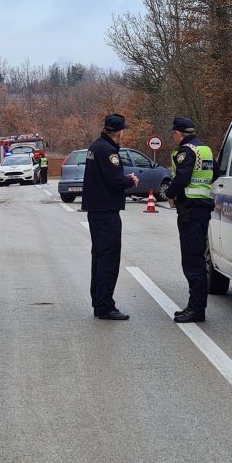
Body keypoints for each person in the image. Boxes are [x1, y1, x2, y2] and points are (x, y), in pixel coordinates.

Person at [82, 113, 139, 320]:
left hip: (97, 210)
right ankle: (105, 305)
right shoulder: (108, 151)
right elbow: (114, 181)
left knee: (99, 257)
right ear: (119, 132)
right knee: (108, 258)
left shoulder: (96, 146)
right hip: (106, 211)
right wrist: (130, 180)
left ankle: (99, 302)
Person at [164, 117, 216, 323]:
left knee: (193, 260)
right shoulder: (205, 150)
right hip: (202, 208)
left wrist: (170, 193)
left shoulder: (187, 151)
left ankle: (196, 309)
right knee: (197, 257)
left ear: (178, 133)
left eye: (174, 134)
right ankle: (195, 306)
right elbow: (216, 172)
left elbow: (183, 177)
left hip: (190, 211)